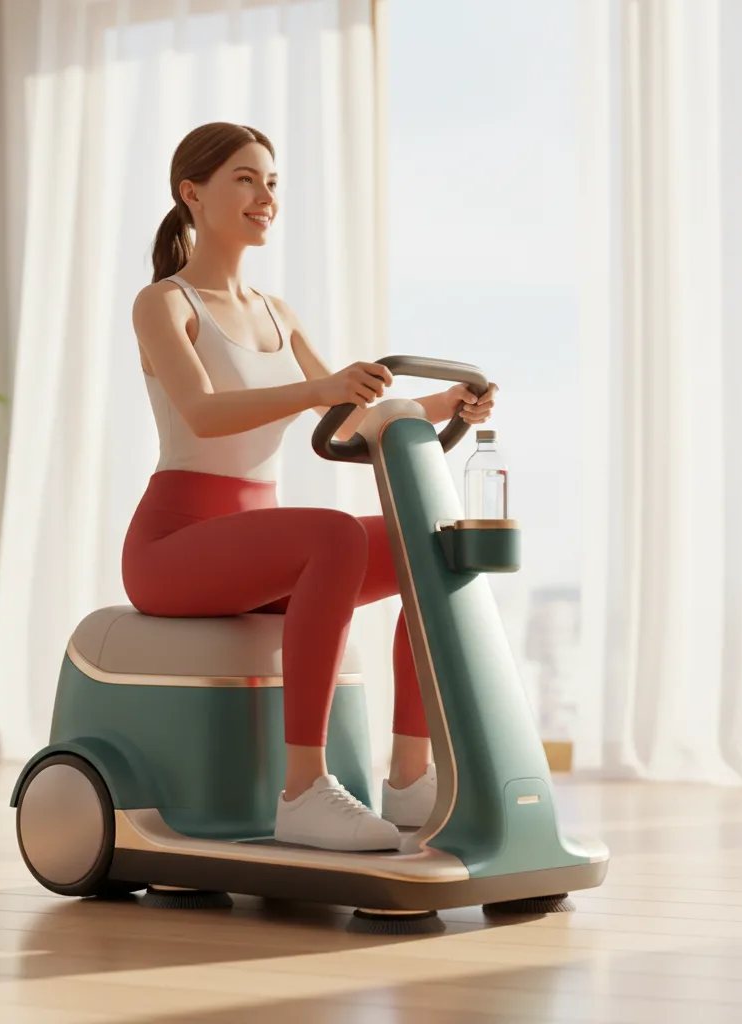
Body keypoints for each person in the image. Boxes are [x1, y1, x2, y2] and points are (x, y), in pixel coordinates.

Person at [123, 122, 495, 853]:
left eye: (271, 181)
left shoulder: (275, 313)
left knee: (425, 543)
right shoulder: (164, 303)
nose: (265, 196)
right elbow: (202, 409)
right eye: (245, 179)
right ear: (191, 193)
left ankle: (410, 775)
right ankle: (303, 792)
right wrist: (316, 388)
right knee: (328, 532)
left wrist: (444, 405)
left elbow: (350, 417)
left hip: (259, 545)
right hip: (174, 545)